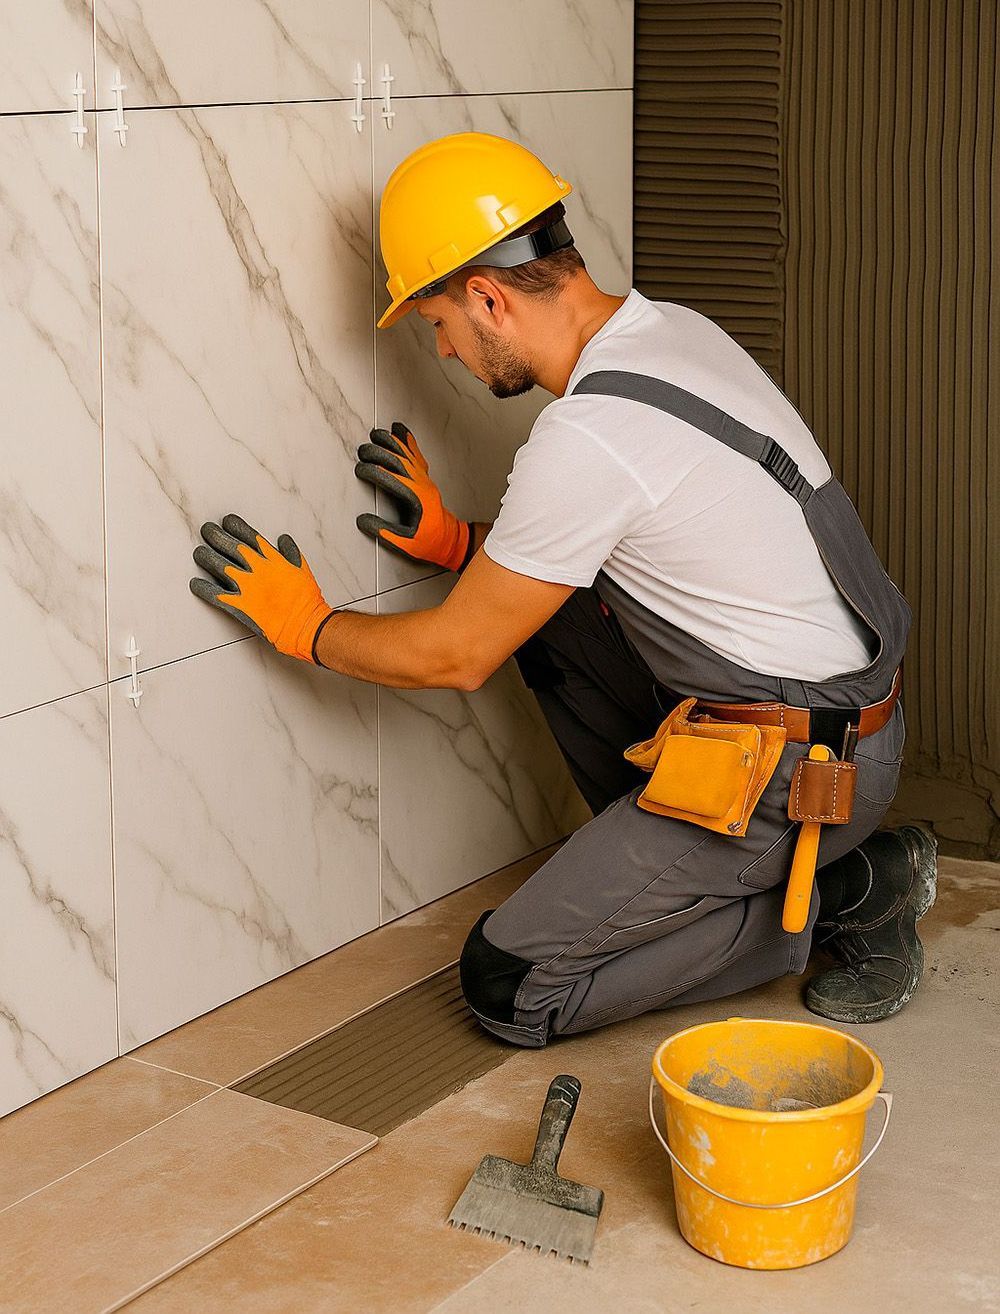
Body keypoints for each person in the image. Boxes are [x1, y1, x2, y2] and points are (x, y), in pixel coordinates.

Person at [190, 132, 937, 1049]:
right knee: (546, 625)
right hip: (851, 727)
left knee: (511, 985)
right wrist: (460, 543)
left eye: (438, 325)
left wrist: (307, 625)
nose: (447, 353)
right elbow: (640, 545)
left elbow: (457, 655)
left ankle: (849, 890)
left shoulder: (590, 434)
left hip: (799, 780)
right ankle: (697, 867)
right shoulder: (671, 332)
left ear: (487, 297)